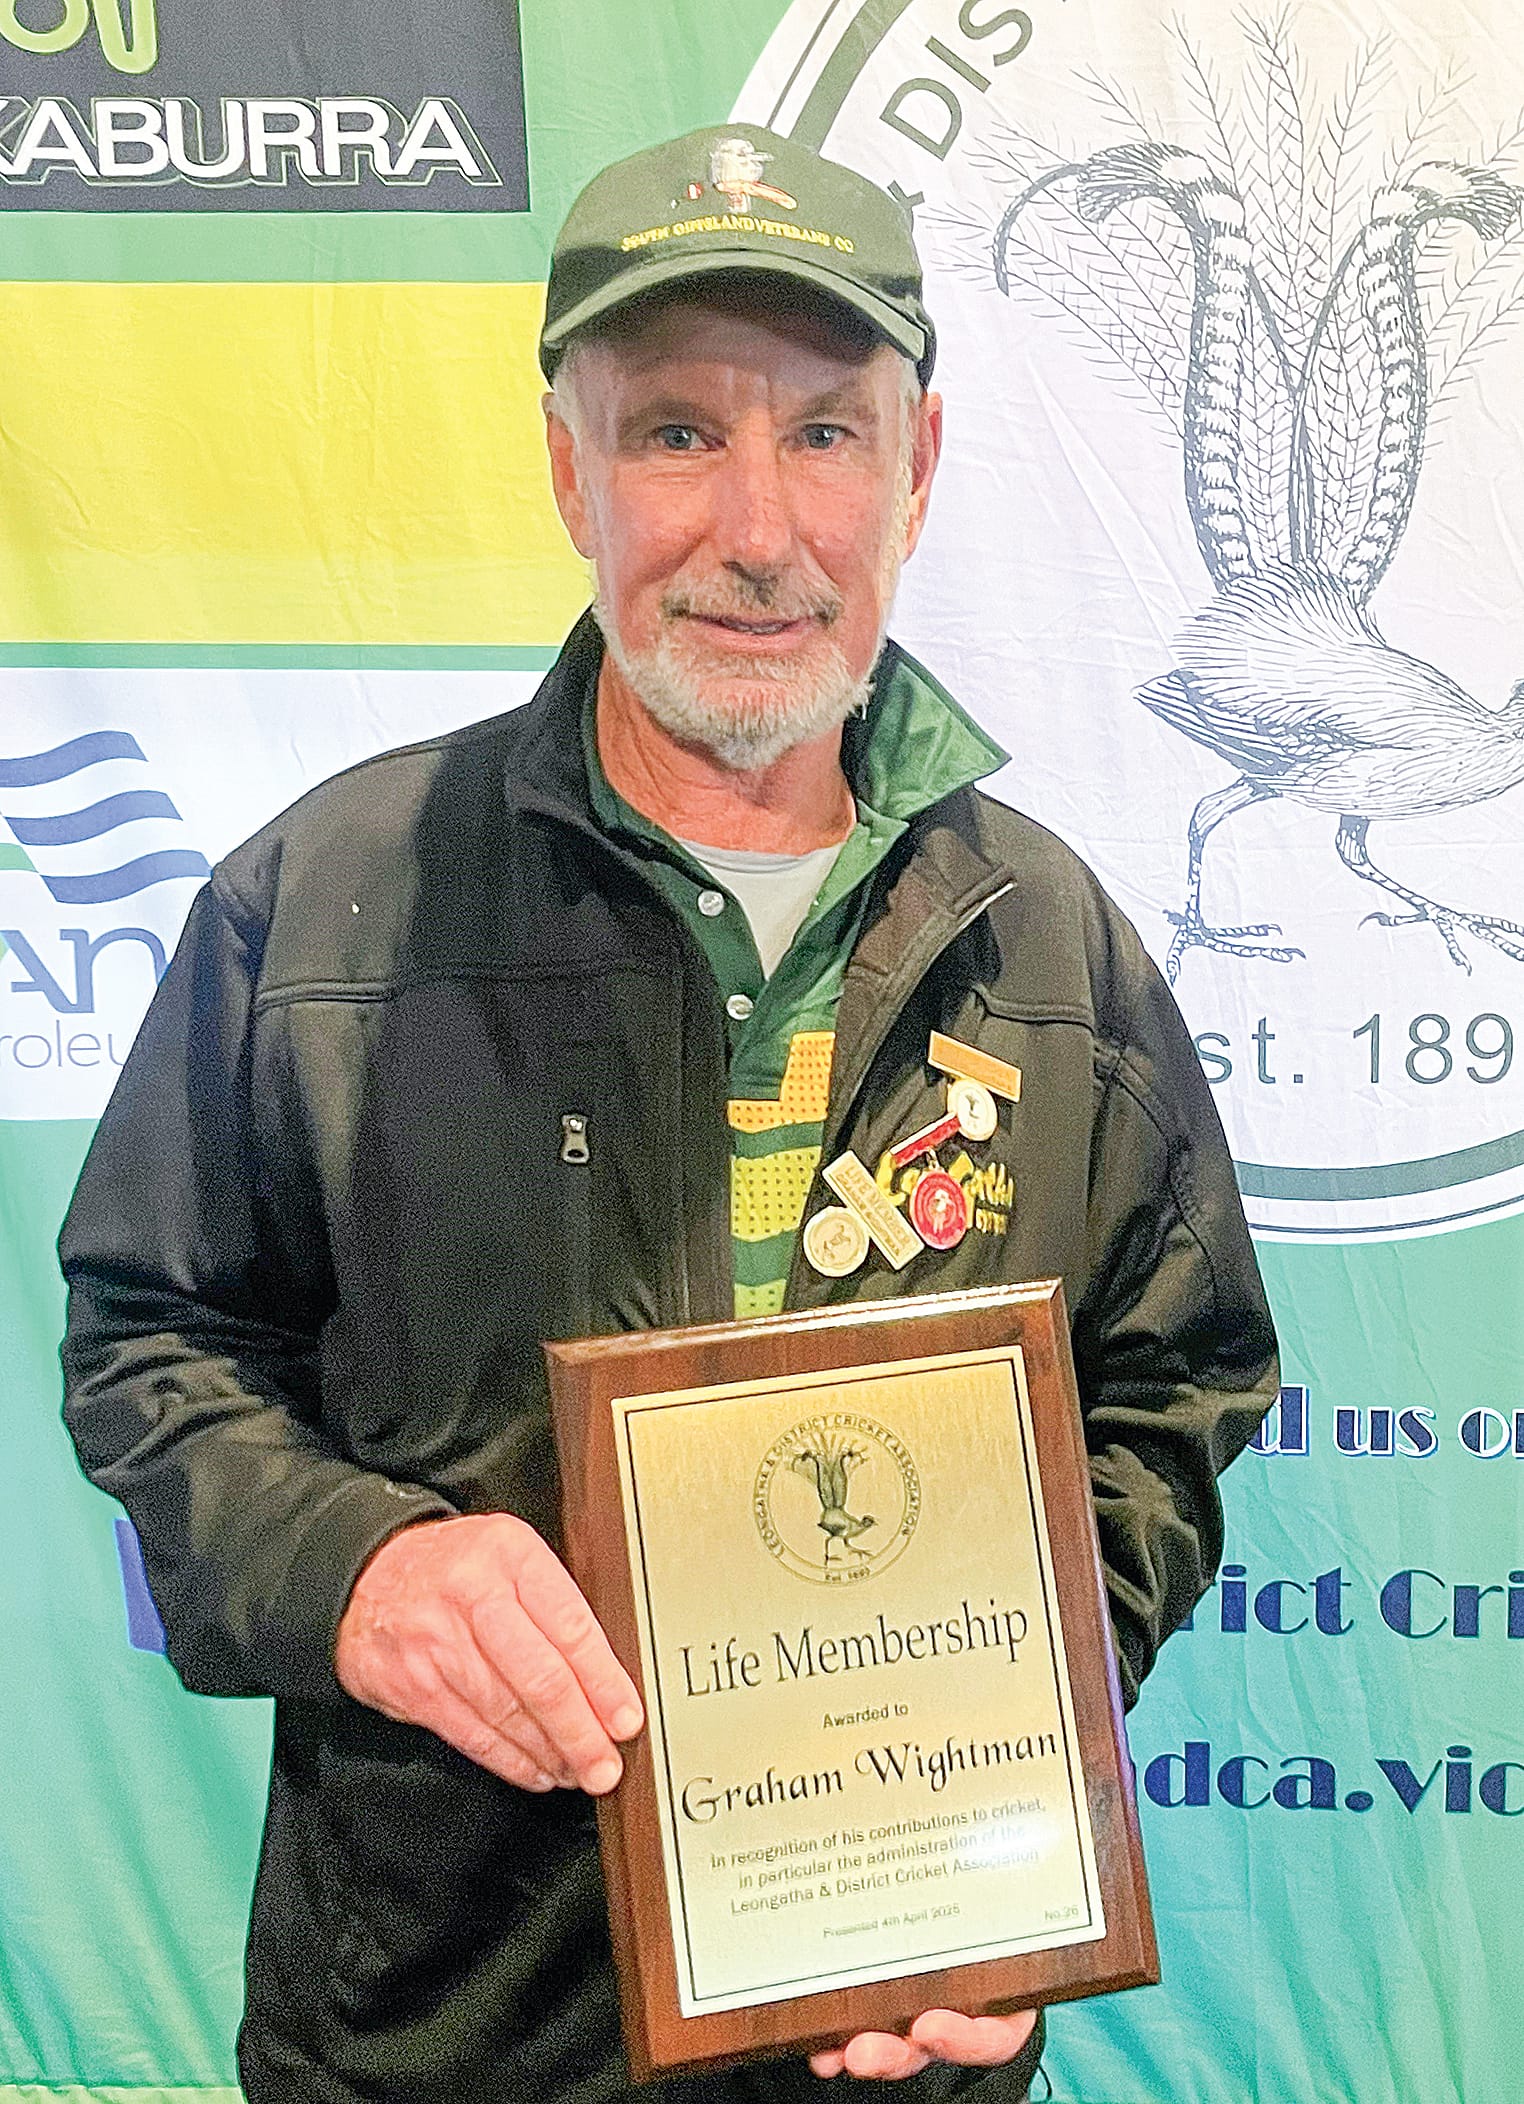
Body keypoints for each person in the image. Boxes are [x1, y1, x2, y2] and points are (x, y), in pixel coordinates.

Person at [58, 126, 1278, 2103]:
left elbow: (1171, 1388)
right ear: (567, 473)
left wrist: (1007, 1790)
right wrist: (349, 1566)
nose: (760, 526)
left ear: (918, 469)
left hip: (888, 2031)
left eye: (824, 434)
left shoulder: (1050, 940)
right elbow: (153, 1339)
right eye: (677, 431)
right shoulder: (325, 905)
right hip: (439, 2035)